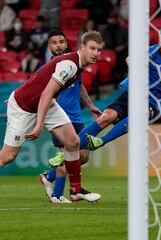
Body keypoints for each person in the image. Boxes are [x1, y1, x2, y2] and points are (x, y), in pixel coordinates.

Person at [48, 29, 161, 167]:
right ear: (160, 41)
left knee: (136, 119)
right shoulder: (151, 52)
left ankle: (101, 141)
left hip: (149, 102)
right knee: (105, 117)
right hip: (132, 94)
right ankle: (60, 160)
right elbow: (130, 59)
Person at [0, 31, 104, 203]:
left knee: (73, 142)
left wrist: (90, 106)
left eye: (99, 50)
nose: (96, 53)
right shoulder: (70, 65)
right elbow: (47, 93)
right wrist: (39, 124)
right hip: (24, 108)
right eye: (92, 48)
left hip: (45, 104)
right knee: (8, 157)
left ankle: (75, 189)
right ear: (82, 47)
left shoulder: (77, 65)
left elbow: (39, 77)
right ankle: (57, 183)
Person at [38, 30, 102, 203]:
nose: (58, 45)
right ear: (49, 46)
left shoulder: (74, 64)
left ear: (66, 44)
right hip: (60, 119)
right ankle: (59, 194)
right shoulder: (47, 69)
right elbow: (40, 92)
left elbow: (80, 87)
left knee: (83, 156)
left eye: (61, 42)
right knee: (69, 155)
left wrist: (90, 106)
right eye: (54, 42)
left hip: (76, 116)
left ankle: (48, 177)